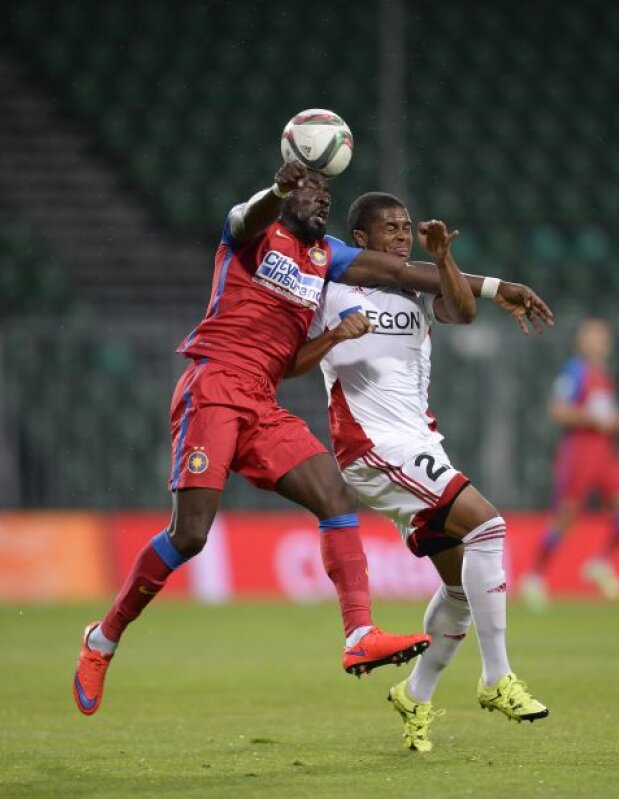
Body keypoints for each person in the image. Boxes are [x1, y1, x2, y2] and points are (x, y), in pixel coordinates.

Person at [73, 160, 552, 716]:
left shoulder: (327, 258)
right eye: (310, 190)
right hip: (214, 385)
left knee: (334, 494)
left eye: (326, 193)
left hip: (262, 399)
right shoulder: (251, 234)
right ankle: (102, 639)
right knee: (191, 536)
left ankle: (358, 635)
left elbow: (405, 275)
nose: (319, 199)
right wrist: (278, 188)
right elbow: (249, 214)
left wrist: (500, 287)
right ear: (285, 193)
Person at [288, 192, 552, 752]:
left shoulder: (413, 284)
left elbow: (462, 310)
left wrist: (445, 258)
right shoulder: (329, 290)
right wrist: (334, 335)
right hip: (372, 445)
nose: (402, 235)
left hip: (418, 443)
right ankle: (496, 677)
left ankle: (417, 691)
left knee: (459, 588)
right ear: (360, 239)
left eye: (407, 227)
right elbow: (290, 365)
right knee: (489, 526)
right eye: (390, 228)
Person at [520, 319, 619, 606]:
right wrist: (596, 419)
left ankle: (600, 562)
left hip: (605, 452)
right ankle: (535, 576)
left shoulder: (606, 376)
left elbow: (606, 416)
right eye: (592, 336)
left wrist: (616, 423)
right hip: (579, 450)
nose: (597, 341)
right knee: (566, 515)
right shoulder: (574, 372)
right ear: (581, 341)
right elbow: (559, 411)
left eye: (601, 336)